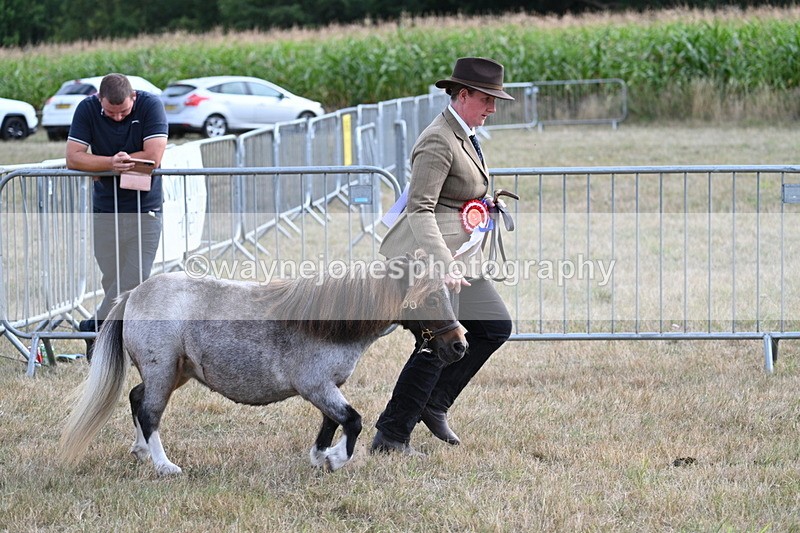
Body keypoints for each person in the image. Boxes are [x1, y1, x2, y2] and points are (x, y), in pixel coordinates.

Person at [371, 57, 514, 454]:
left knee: (493, 327)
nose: (493, 107)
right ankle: (391, 436)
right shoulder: (438, 138)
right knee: (437, 345)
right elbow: (420, 208)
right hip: (429, 261)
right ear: (463, 94)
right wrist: (442, 263)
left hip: (460, 261)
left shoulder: (465, 133)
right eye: (487, 99)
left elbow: (457, 194)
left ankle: (434, 404)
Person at [65, 73, 168, 360]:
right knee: (112, 279)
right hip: (105, 209)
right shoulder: (86, 109)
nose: (119, 117)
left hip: (145, 209)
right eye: (112, 113)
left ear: (133, 97)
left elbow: (153, 157)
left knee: (133, 280)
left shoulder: (151, 106)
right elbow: (73, 157)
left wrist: (101, 166)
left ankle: (97, 330)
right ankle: (104, 334)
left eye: (124, 111)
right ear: (100, 101)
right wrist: (112, 163)